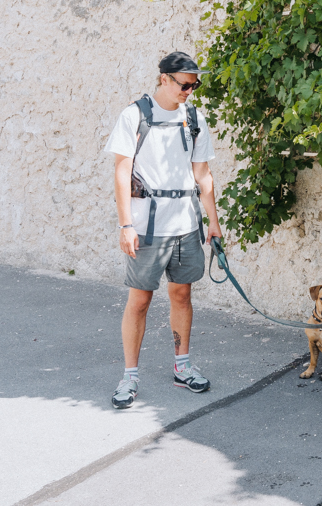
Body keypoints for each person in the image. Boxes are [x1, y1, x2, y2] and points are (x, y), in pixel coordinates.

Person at [103, 52, 223, 409]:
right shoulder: (134, 115)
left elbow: (202, 174)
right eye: (185, 84)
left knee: (182, 295)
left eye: (195, 85)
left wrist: (213, 220)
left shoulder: (194, 118)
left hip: (186, 223)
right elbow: (122, 174)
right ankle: (130, 376)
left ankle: (182, 367)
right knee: (139, 300)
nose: (190, 91)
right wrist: (126, 225)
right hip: (147, 225)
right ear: (165, 79)